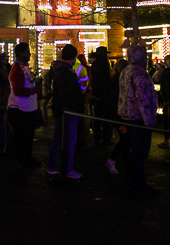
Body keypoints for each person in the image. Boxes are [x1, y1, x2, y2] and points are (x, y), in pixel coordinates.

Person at [117, 44, 159, 197]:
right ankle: (139, 184)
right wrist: (149, 120)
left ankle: (131, 180)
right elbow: (144, 100)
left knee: (131, 151)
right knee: (140, 153)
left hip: (126, 115)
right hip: (138, 118)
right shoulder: (140, 74)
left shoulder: (125, 72)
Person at [47, 44, 85, 179]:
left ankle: (52, 166)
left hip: (60, 109)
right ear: (73, 57)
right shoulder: (67, 72)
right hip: (68, 111)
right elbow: (70, 94)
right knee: (69, 140)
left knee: (58, 138)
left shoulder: (57, 70)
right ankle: (67, 169)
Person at [7, 42, 40, 169]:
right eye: (27, 51)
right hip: (20, 109)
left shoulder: (24, 68)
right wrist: (33, 91)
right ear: (20, 53)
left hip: (27, 108)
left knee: (27, 137)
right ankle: (22, 160)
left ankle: (27, 159)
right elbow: (18, 90)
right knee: (22, 138)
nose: (29, 54)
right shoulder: (16, 69)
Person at [105, 59, 129, 175]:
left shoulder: (116, 80)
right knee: (126, 139)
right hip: (120, 116)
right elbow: (115, 102)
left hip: (119, 115)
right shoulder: (119, 82)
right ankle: (112, 159)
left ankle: (122, 161)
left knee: (126, 139)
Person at [91, 46, 112, 147]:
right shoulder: (104, 64)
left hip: (96, 93)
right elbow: (106, 80)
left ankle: (97, 137)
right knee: (105, 116)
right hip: (103, 94)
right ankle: (106, 137)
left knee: (97, 116)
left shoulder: (95, 64)